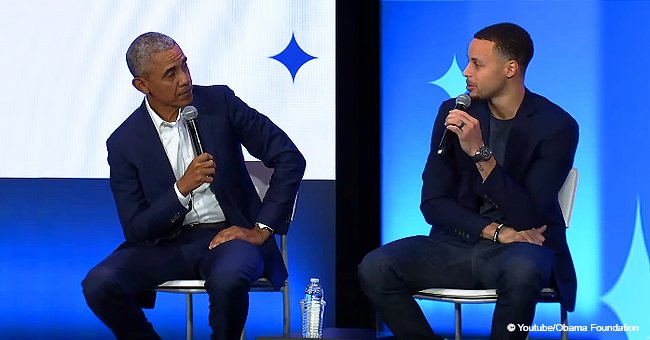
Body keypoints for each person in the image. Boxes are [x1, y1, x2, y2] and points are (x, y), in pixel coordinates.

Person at [359, 23, 578, 340]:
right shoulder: (453, 113)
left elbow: (529, 216)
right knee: (375, 267)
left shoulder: (556, 126)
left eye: (477, 64)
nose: (465, 72)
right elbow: (433, 203)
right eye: (468, 61)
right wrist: (495, 231)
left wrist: (480, 152)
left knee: (524, 270)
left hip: (523, 247)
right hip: (456, 243)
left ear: (510, 68)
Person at [82, 32, 306, 340]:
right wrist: (181, 189)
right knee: (99, 283)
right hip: (168, 245)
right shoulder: (124, 142)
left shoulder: (219, 103)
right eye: (171, 74)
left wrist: (261, 229)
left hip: (230, 236)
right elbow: (135, 229)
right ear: (142, 85)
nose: (185, 79)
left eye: (185, 66)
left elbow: (290, 158)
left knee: (229, 280)